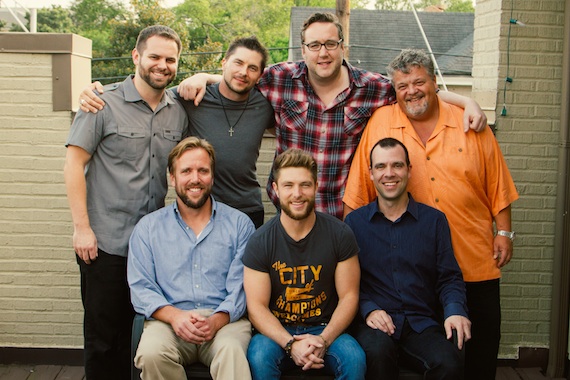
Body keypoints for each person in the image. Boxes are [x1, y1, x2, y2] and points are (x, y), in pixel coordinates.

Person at [177, 12, 488, 219]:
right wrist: (203, 76)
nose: (322, 52)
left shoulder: (371, 87)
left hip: (345, 216)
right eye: (314, 45)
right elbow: (240, 79)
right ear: (303, 49)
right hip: (290, 211)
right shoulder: (280, 79)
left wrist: (464, 101)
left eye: (329, 44)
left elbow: (413, 91)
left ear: (343, 47)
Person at [343, 49, 519, 380]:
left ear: (434, 83)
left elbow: (498, 182)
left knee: (478, 355)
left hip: (473, 259)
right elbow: (358, 194)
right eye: (402, 85)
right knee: (436, 353)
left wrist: (504, 232)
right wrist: (347, 253)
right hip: (420, 274)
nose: (412, 91)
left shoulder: (468, 122)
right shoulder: (382, 122)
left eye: (419, 82)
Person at [63, 25, 187, 380]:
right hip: (104, 243)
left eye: (170, 59)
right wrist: (81, 229)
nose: (162, 65)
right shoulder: (101, 103)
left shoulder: (177, 109)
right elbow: (74, 163)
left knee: (143, 335)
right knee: (104, 338)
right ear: (136, 57)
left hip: (152, 248)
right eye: (154, 57)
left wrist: (207, 74)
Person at [79, 36, 274, 228]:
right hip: (200, 209)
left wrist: (204, 76)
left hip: (247, 210)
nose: (243, 72)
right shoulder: (190, 97)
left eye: (252, 68)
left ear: (259, 75)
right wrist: (93, 91)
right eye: (238, 63)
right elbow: (146, 95)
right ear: (224, 63)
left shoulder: (265, 106)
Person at [128, 137, 255, 379]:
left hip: (225, 322)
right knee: (151, 352)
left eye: (203, 171)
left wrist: (217, 320)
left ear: (212, 176)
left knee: (232, 351)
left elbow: (242, 287)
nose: (195, 179)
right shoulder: (148, 229)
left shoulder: (240, 225)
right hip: (168, 320)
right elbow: (141, 288)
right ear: (172, 178)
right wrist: (175, 317)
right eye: (186, 171)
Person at [344, 137, 471, 380]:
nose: (389, 173)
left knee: (449, 363)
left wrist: (455, 310)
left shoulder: (434, 221)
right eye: (381, 167)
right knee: (377, 355)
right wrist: (369, 310)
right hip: (375, 326)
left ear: (409, 170)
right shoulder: (354, 224)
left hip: (421, 324)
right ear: (370, 173)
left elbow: (449, 277)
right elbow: (347, 284)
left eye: (397, 165)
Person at [242, 148, 365, 379]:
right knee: (259, 357)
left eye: (305, 185)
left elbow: (349, 296)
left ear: (316, 186)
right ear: (276, 189)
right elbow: (257, 308)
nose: (297, 193)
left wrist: (324, 339)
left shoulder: (340, 234)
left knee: (354, 359)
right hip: (277, 331)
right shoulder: (260, 241)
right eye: (288, 185)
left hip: (326, 327)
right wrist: (290, 344)